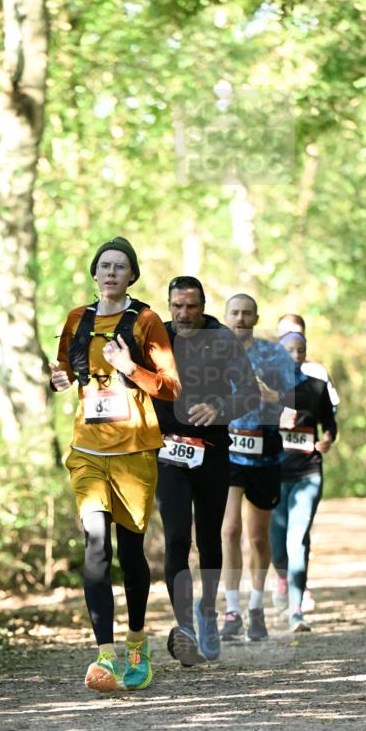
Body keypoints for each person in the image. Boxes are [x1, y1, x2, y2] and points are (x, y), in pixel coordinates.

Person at [50, 237, 180, 692]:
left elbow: (170, 387)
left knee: (131, 552)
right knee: (96, 545)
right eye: (103, 265)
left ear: (132, 275)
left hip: (135, 451)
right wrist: (59, 378)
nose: (110, 272)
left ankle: (137, 643)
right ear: (94, 273)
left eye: (119, 266)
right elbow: (63, 370)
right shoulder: (77, 319)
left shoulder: (145, 321)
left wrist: (130, 368)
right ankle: (104, 655)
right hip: (88, 449)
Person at [152, 277, 260, 667]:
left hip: (213, 452)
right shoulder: (156, 336)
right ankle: (185, 627)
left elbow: (248, 391)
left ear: (203, 305)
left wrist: (219, 407)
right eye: (177, 306)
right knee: (178, 536)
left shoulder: (221, 338)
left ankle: (208, 613)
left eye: (191, 307)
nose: (183, 314)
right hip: (168, 455)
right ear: (169, 305)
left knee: (209, 540)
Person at [220, 294, 296, 642]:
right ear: (226, 316)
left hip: (265, 453)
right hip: (228, 452)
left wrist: (275, 398)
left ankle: (256, 606)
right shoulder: (215, 352)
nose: (240, 318)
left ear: (255, 317)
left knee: (256, 536)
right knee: (230, 529)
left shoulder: (273, 354)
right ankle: (232, 610)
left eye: (246, 313)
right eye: (234, 312)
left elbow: (298, 399)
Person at [270, 331, 337, 631]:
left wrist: (326, 440)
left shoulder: (317, 387)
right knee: (277, 545)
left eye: (300, 350)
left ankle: (296, 611)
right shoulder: (266, 389)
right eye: (288, 351)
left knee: (297, 539)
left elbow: (330, 423)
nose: (295, 356)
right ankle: (283, 580)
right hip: (273, 474)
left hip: (308, 472)